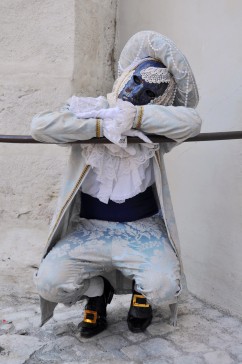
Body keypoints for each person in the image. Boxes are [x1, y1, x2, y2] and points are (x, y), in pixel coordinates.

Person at [31, 31, 202, 337]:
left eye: (150, 93)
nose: (137, 93)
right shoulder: (92, 107)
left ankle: (142, 290)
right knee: (50, 282)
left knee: (165, 288)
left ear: (159, 101)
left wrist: (134, 118)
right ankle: (97, 293)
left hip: (141, 228)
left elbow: (192, 122)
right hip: (88, 228)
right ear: (124, 76)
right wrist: (102, 123)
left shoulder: (152, 132)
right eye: (136, 81)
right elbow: (41, 126)